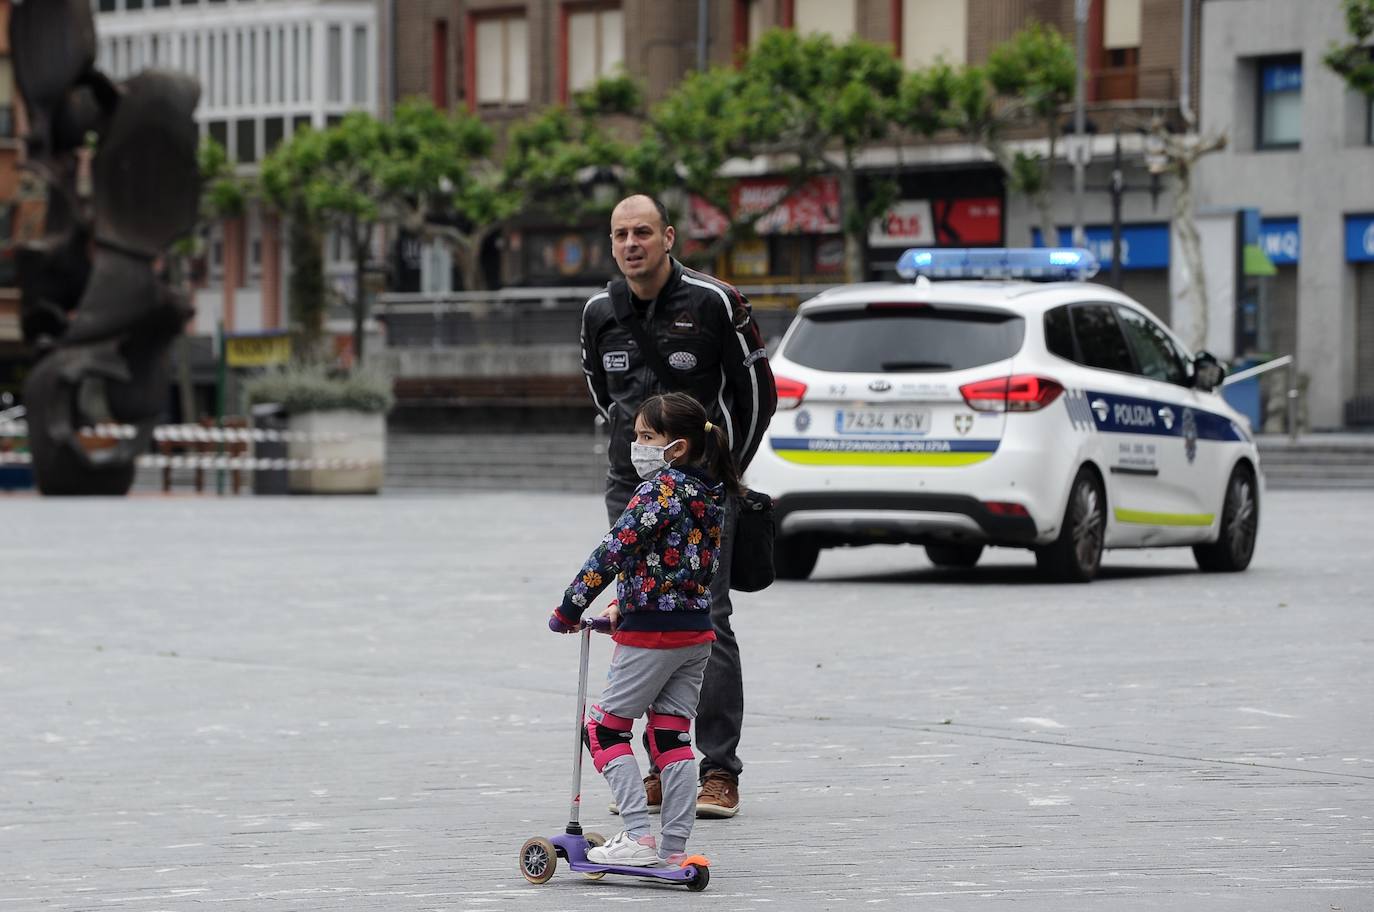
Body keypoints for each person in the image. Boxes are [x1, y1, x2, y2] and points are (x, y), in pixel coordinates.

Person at [580, 194, 777, 818]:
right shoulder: (597, 313)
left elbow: (757, 396)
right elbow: (600, 392)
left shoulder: (714, 302)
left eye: (643, 231)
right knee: (640, 619)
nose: (631, 243)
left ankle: (718, 770)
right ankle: (664, 765)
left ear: (668, 236)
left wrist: (723, 478)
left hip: (701, 495)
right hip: (628, 488)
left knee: (706, 620)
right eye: (620, 235)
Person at [549, 392, 742, 866]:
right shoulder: (710, 490)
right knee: (670, 737)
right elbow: (684, 563)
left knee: (604, 731)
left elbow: (613, 550)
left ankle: (638, 835)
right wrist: (624, 601)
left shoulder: (660, 489)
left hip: (652, 636)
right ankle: (673, 848)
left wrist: (570, 609)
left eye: (646, 437)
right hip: (694, 633)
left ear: (676, 447)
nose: (636, 445)